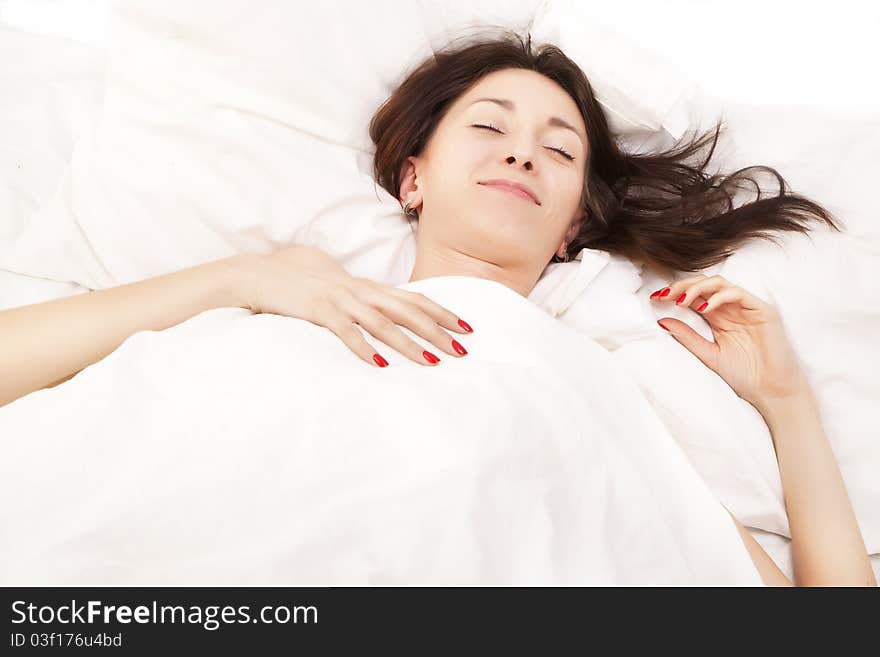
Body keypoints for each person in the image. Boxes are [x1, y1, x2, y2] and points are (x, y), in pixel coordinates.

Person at [0, 31, 873, 587]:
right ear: (413, 178)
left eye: (557, 150)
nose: (523, 155)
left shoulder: (594, 395)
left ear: (573, 225)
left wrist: (786, 402)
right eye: (489, 128)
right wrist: (240, 280)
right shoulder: (283, 297)